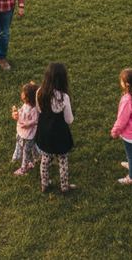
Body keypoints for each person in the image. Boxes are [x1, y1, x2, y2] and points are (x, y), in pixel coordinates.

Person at [35, 62, 74, 194]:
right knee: (62, 160)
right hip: (60, 133)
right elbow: (69, 119)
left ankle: (44, 184)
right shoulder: (64, 97)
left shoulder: (40, 92)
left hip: (44, 131)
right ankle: (64, 186)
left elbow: (39, 109)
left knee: (45, 159)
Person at [11, 81, 40, 176]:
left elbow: (35, 120)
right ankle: (33, 160)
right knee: (26, 148)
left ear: (28, 97)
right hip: (23, 132)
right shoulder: (26, 104)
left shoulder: (34, 109)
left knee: (26, 152)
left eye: (23, 93)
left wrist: (26, 124)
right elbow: (22, 111)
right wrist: (17, 113)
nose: (21, 94)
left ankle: (23, 169)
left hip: (28, 135)